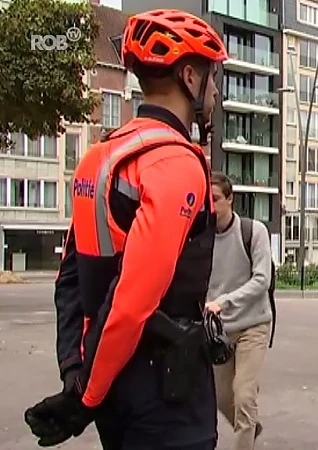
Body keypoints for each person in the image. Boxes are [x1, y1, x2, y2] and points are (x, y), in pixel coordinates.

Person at [23, 9, 228, 449]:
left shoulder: (100, 157)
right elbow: (133, 299)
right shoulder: (177, 162)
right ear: (189, 78)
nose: (214, 93)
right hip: (168, 401)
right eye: (212, 80)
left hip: (116, 394)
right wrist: (85, 397)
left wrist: (78, 381)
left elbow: (71, 283)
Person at [205, 171, 274, 450]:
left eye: (216, 199)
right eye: (206, 200)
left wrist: (224, 301)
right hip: (220, 331)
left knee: (244, 396)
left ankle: (246, 432)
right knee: (222, 399)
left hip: (253, 325)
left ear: (230, 199)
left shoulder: (253, 231)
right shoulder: (202, 238)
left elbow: (262, 280)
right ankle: (250, 426)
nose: (211, 206)